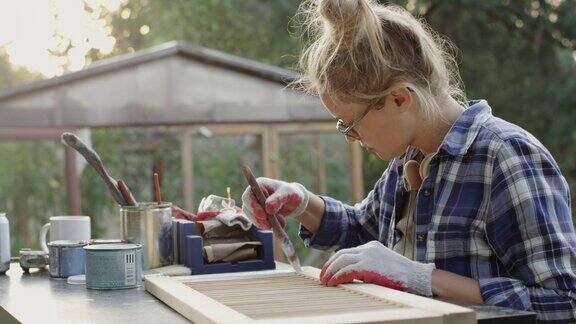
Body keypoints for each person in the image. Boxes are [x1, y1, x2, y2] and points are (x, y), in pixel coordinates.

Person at [241, 0, 576, 322]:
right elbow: (363, 231)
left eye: (350, 125)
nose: (350, 138)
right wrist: (301, 203)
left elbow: (563, 303)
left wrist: (423, 278)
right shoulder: (409, 158)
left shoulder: (505, 158)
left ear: (399, 98)